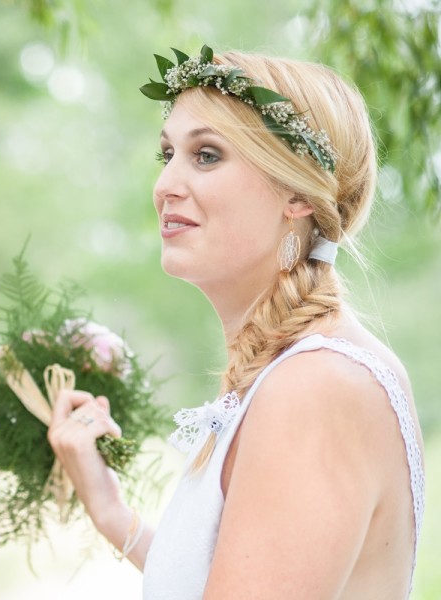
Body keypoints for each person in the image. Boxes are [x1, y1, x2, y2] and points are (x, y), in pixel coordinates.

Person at [47, 45, 425, 599]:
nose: (165, 186)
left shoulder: (315, 387)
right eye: (167, 153)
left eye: (206, 155)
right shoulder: (293, 370)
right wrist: (110, 512)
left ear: (297, 191)